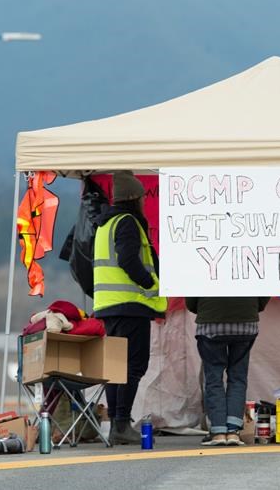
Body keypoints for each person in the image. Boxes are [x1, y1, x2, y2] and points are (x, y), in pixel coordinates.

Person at [93, 171, 167, 445]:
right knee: (133, 366)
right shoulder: (127, 222)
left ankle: (118, 424)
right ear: (134, 198)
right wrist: (149, 284)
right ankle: (122, 424)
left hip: (109, 308)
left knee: (116, 368)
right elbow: (127, 259)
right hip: (130, 306)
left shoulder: (104, 224)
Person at [186, 296, 269, 446]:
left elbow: (191, 301)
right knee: (238, 377)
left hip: (211, 322)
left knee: (214, 377)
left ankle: (218, 432)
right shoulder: (249, 270)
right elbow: (263, 294)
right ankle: (233, 431)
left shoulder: (203, 270)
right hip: (245, 321)